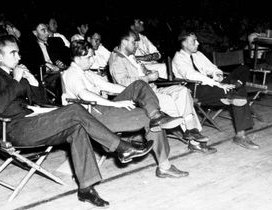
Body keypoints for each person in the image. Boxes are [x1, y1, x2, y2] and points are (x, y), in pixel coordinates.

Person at [0, 34, 154, 208]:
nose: (19, 56)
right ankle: (120, 147)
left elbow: (42, 101)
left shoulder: (14, 72)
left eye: (18, 52)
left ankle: (86, 188)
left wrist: (32, 82)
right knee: (75, 109)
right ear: (0, 56)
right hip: (14, 127)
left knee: (76, 127)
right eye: (13, 53)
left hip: (33, 122)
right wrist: (17, 80)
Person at [61, 39, 190, 181]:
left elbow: (108, 86)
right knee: (148, 117)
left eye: (92, 56)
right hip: (94, 117)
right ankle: (164, 166)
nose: (93, 60)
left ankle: (156, 115)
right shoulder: (72, 74)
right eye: (89, 57)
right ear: (77, 58)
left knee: (139, 85)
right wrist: (117, 104)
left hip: (104, 109)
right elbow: (84, 95)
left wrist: (134, 93)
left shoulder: (86, 72)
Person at [109, 29, 217, 154]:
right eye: (134, 42)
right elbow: (123, 82)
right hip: (143, 97)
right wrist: (147, 78)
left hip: (154, 89)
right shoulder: (117, 59)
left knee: (183, 91)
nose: (137, 45)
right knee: (182, 106)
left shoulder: (130, 56)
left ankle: (191, 132)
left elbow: (143, 71)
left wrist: (149, 73)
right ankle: (194, 140)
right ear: (124, 42)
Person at [172, 30, 259, 150]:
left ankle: (234, 89)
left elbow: (212, 68)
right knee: (238, 93)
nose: (197, 43)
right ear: (184, 43)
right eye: (194, 41)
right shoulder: (179, 58)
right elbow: (192, 75)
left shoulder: (198, 55)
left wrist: (217, 74)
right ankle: (240, 135)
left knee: (243, 68)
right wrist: (217, 84)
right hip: (196, 89)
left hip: (214, 84)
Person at [20, 17, 70, 105]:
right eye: (43, 30)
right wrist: (46, 64)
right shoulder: (29, 46)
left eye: (47, 29)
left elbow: (68, 56)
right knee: (62, 77)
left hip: (60, 72)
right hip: (44, 76)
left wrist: (64, 65)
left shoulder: (56, 42)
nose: (47, 33)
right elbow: (29, 62)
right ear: (35, 33)